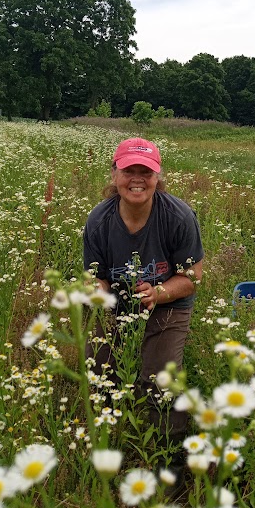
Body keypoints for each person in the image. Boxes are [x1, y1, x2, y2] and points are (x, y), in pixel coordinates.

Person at [83, 137, 204, 461]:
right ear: (115, 174)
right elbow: (97, 276)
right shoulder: (99, 220)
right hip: (116, 303)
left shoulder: (178, 216)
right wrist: (98, 293)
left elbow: (191, 278)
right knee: (98, 366)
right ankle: (108, 436)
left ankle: (171, 456)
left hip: (168, 303)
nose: (137, 179)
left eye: (145, 171)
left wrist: (159, 293)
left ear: (157, 176)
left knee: (159, 380)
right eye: (128, 170)